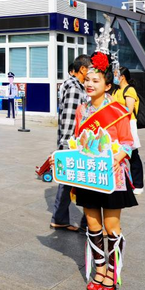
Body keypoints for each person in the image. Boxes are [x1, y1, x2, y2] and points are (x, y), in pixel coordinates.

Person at [72, 49, 136, 290]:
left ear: (108, 85)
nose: (89, 83)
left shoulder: (118, 110)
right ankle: (99, 269)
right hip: (88, 175)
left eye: (95, 80)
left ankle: (112, 270)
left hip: (111, 176)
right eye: (87, 79)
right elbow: (78, 140)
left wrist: (115, 157)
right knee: (92, 224)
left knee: (111, 226)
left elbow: (129, 143)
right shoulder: (81, 111)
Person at [51, 55, 90, 232]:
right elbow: (69, 119)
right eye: (91, 69)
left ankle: (61, 218)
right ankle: (85, 222)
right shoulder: (74, 89)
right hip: (72, 143)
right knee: (71, 182)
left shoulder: (74, 86)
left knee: (69, 183)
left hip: (73, 143)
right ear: (83, 69)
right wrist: (65, 146)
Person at [112, 67, 143, 194]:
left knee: (133, 154)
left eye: (115, 75)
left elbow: (129, 109)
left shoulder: (129, 90)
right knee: (120, 154)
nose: (114, 77)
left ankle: (138, 184)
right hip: (117, 125)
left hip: (128, 124)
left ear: (122, 76)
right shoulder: (116, 91)